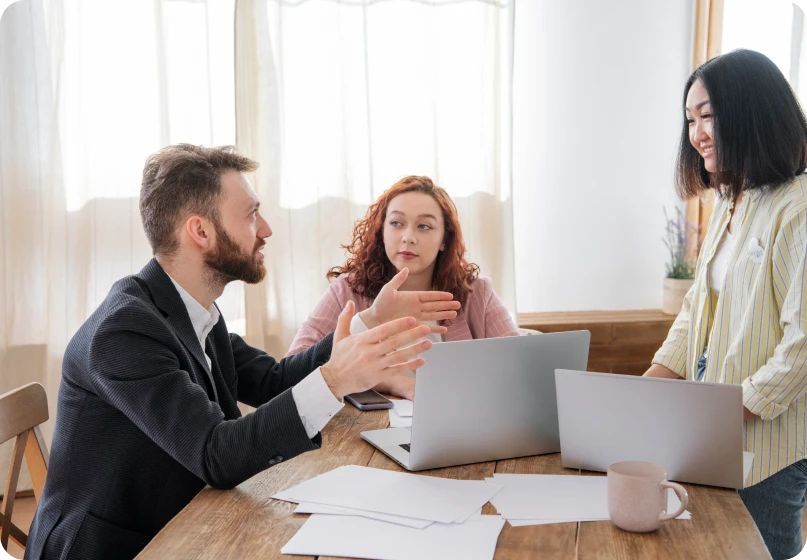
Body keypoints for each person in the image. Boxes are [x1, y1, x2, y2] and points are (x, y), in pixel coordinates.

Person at [24, 145, 458, 560]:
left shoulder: (193, 311)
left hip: (186, 526)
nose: (265, 228)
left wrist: (370, 319)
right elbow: (216, 454)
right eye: (251, 214)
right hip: (119, 548)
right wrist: (334, 380)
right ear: (201, 231)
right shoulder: (124, 331)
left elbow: (272, 381)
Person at [646, 49, 807, 559]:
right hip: (714, 426)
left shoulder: (798, 206)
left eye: (708, 115)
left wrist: (727, 411)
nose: (697, 134)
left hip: (769, 441)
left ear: (751, 111)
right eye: (690, 119)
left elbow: (802, 345)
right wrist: (649, 385)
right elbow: (698, 307)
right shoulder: (730, 199)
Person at [287, 176, 520, 400]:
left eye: (424, 226)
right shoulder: (347, 291)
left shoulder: (476, 293)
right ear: (382, 231)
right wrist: (392, 381)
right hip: (365, 424)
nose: (408, 237)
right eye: (397, 223)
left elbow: (519, 368)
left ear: (444, 240)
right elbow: (293, 372)